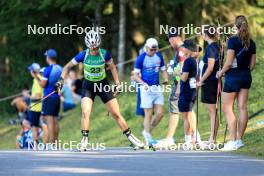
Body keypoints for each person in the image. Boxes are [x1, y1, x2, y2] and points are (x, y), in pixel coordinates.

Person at [58, 30, 144, 150]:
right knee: (85, 112)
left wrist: (118, 84)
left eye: (96, 48)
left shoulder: (104, 54)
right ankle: (84, 141)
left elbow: (113, 68)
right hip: (88, 86)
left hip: (102, 85)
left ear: (98, 45)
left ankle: (131, 138)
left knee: (116, 113)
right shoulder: (83, 55)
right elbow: (67, 66)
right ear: (88, 46)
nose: (94, 51)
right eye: (91, 49)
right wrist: (61, 80)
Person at [217, 15, 256, 151]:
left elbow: (228, 63)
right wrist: (243, 71)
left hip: (233, 77)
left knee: (227, 108)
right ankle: (239, 140)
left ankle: (232, 140)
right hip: (246, 76)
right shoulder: (252, 42)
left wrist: (220, 73)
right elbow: (252, 65)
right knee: (242, 108)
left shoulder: (232, 41)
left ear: (236, 26)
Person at [134, 38, 169, 147]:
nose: (153, 52)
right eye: (151, 50)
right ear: (146, 48)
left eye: (155, 50)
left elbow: (163, 70)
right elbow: (135, 76)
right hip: (146, 89)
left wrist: (166, 79)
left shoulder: (159, 56)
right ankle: (148, 138)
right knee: (148, 114)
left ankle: (147, 131)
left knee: (160, 113)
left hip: (157, 88)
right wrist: (143, 83)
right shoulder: (141, 59)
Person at [197, 25, 220, 144]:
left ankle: (212, 138)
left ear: (205, 35)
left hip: (210, 82)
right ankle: (213, 137)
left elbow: (210, 67)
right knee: (213, 111)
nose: (201, 35)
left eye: (201, 33)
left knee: (212, 111)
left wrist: (201, 80)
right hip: (212, 82)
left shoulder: (211, 48)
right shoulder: (216, 46)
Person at [37, 49, 62, 145]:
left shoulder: (47, 70)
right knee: (55, 120)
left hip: (48, 97)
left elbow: (43, 84)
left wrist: (37, 78)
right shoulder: (60, 68)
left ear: (48, 58)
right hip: (57, 97)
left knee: (50, 121)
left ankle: (52, 143)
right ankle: (56, 142)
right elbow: (61, 83)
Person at [179, 39, 200, 150]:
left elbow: (184, 77)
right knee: (189, 114)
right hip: (191, 90)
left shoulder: (188, 61)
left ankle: (188, 140)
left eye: (184, 47)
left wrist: (178, 73)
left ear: (189, 49)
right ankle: (193, 139)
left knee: (186, 116)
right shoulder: (193, 60)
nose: (183, 49)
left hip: (186, 91)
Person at [23, 63, 48, 149]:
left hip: (38, 108)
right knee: (34, 126)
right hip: (34, 107)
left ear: (34, 72)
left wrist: (28, 96)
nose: (30, 72)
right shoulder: (36, 80)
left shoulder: (38, 81)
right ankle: (36, 147)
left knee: (38, 126)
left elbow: (37, 97)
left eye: (31, 70)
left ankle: (41, 145)